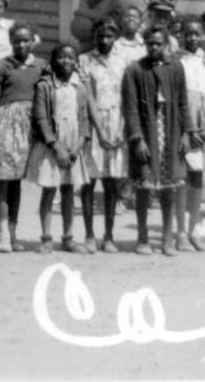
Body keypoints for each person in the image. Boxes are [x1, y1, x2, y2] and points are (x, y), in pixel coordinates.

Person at [122, 23, 194, 256]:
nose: (154, 48)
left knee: (169, 187)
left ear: (165, 44)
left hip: (171, 131)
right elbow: (130, 108)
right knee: (144, 185)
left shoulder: (176, 68)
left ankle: (167, 238)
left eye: (158, 44)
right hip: (147, 132)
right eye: (150, 44)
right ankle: (142, 236)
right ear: (145, 44)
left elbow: (183, 103)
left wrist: (185, 133)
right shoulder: (135, 70)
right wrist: (137, 138)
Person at [0, 21, 47, 253]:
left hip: (29, 128)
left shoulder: (39, 66)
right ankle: (2, 234)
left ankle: (12, 233)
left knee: (17, 183)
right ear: (11, 42)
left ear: (32, 42)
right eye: (17, 40)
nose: (21, 44)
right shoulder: (2, 66)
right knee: (3, 181)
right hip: (6, 126)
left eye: (25, 40)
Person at [27, 43, 92, 254]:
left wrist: (76, 147)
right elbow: (41, 119)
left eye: (70, 58)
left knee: (68, 190)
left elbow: (84, 119)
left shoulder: (79, 87)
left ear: (75, 62)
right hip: (52, 144)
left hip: (73, 144)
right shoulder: (45, 86)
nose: (66, 61)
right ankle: (46, 238)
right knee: (49, 189)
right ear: (53, 61)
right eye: (61, 57)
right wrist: (57, 147)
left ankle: (68, 237)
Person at [79, 16, 128, 253]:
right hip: (93, 122)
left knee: (112, 183)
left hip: (117, 123)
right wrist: (98, 130)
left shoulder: (124, 61)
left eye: (109, 36)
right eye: (100, 36)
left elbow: (128, 96)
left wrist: (120, 130)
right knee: (89, 181)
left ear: (116, 37)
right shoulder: (85, 60)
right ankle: (89, 234)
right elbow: (87, 96)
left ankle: (109, 236)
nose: (104, 40)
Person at [179, 16, 205, 251]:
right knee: (182, 176)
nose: (192, 38)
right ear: (180, 35)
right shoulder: (176, 61)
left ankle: (194, 229)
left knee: (199, 176)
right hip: (186, 125)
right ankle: (180, 232)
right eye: (187, 33)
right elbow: (176, 98)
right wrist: (189, 129)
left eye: (196, 33)